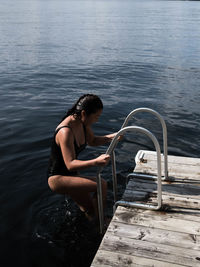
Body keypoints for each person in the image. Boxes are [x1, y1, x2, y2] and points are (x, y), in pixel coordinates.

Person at [47, 94, 117, 221]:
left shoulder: (83, 123)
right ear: (84, 113)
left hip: (72, 175)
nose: (97, 120)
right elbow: (70, 164)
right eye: (96, 116)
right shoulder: (65, 132)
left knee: (90, 209)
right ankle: (102, 222)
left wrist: (114, 136)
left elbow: (93, 141)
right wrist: (96, 162)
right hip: (58, 178)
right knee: (101, 185)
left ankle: (94, 228)